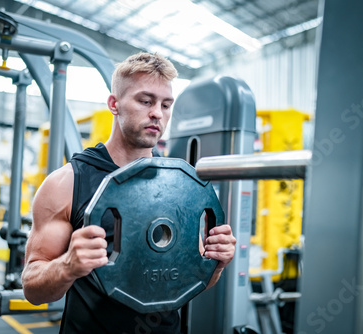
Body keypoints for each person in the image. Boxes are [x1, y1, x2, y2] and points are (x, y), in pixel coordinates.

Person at [22, 52, 237, 333]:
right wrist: (67, 266)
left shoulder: (181, 184)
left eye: (166, 104)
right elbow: (33, 289)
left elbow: (188, 282)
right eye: (145, 101)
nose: (157, 113)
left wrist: (216, 264)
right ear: (114, 104)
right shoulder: (67, 183)